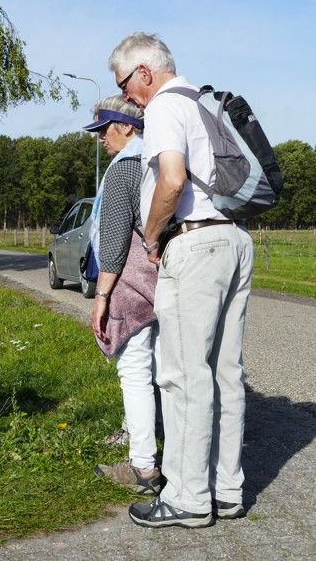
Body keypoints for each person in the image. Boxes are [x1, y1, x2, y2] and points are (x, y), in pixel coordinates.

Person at [108, 32, 254, 529]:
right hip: (234, 238)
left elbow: (171, 179)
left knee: (183, 375)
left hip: (193, 244)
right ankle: (227, 489)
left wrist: (151, 236)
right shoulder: (204, 102)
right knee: (225, 373)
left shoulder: (166, 106)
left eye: (126, 84)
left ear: (144, 72)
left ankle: (189, 498)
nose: (127, 96)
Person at [83, 95, 161, 496]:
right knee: (166, 375)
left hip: (134, 288)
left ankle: (143, 466)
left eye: (104, 128)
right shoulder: (160, 158)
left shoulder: (124, 169)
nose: (100, 138)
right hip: (168, 283)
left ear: (127, 126)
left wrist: (101, 298)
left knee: (135, 374)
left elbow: (113, 242)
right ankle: (176, 458)